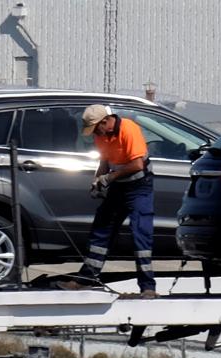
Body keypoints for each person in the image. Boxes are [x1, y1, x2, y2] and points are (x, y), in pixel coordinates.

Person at [58, 104, 157, 297]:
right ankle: (86, 280)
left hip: (139, 187)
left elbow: (137, 165)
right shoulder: (101, 135)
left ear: (105, 121)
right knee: (101, 229)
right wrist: (97, 181)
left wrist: (109, 178)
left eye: (96, 128)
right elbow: (104, 162)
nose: (95, 133)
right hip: (119, 186)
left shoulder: (128, 129)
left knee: (141, 235)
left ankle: (148, 287)